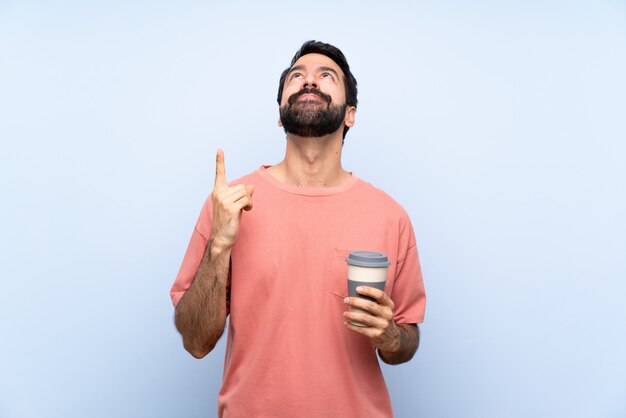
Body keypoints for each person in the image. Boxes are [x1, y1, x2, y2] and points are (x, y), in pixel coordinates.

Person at [170, 40, 426, 417]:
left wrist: (389, 335)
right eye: (296, 77)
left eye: (326, 76)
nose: (309, 82)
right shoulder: (229, 205)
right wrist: (220, 246)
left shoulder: (391, 216)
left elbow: (406, 342)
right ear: (279, 113)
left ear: (350, 114)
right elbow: (195, 341)